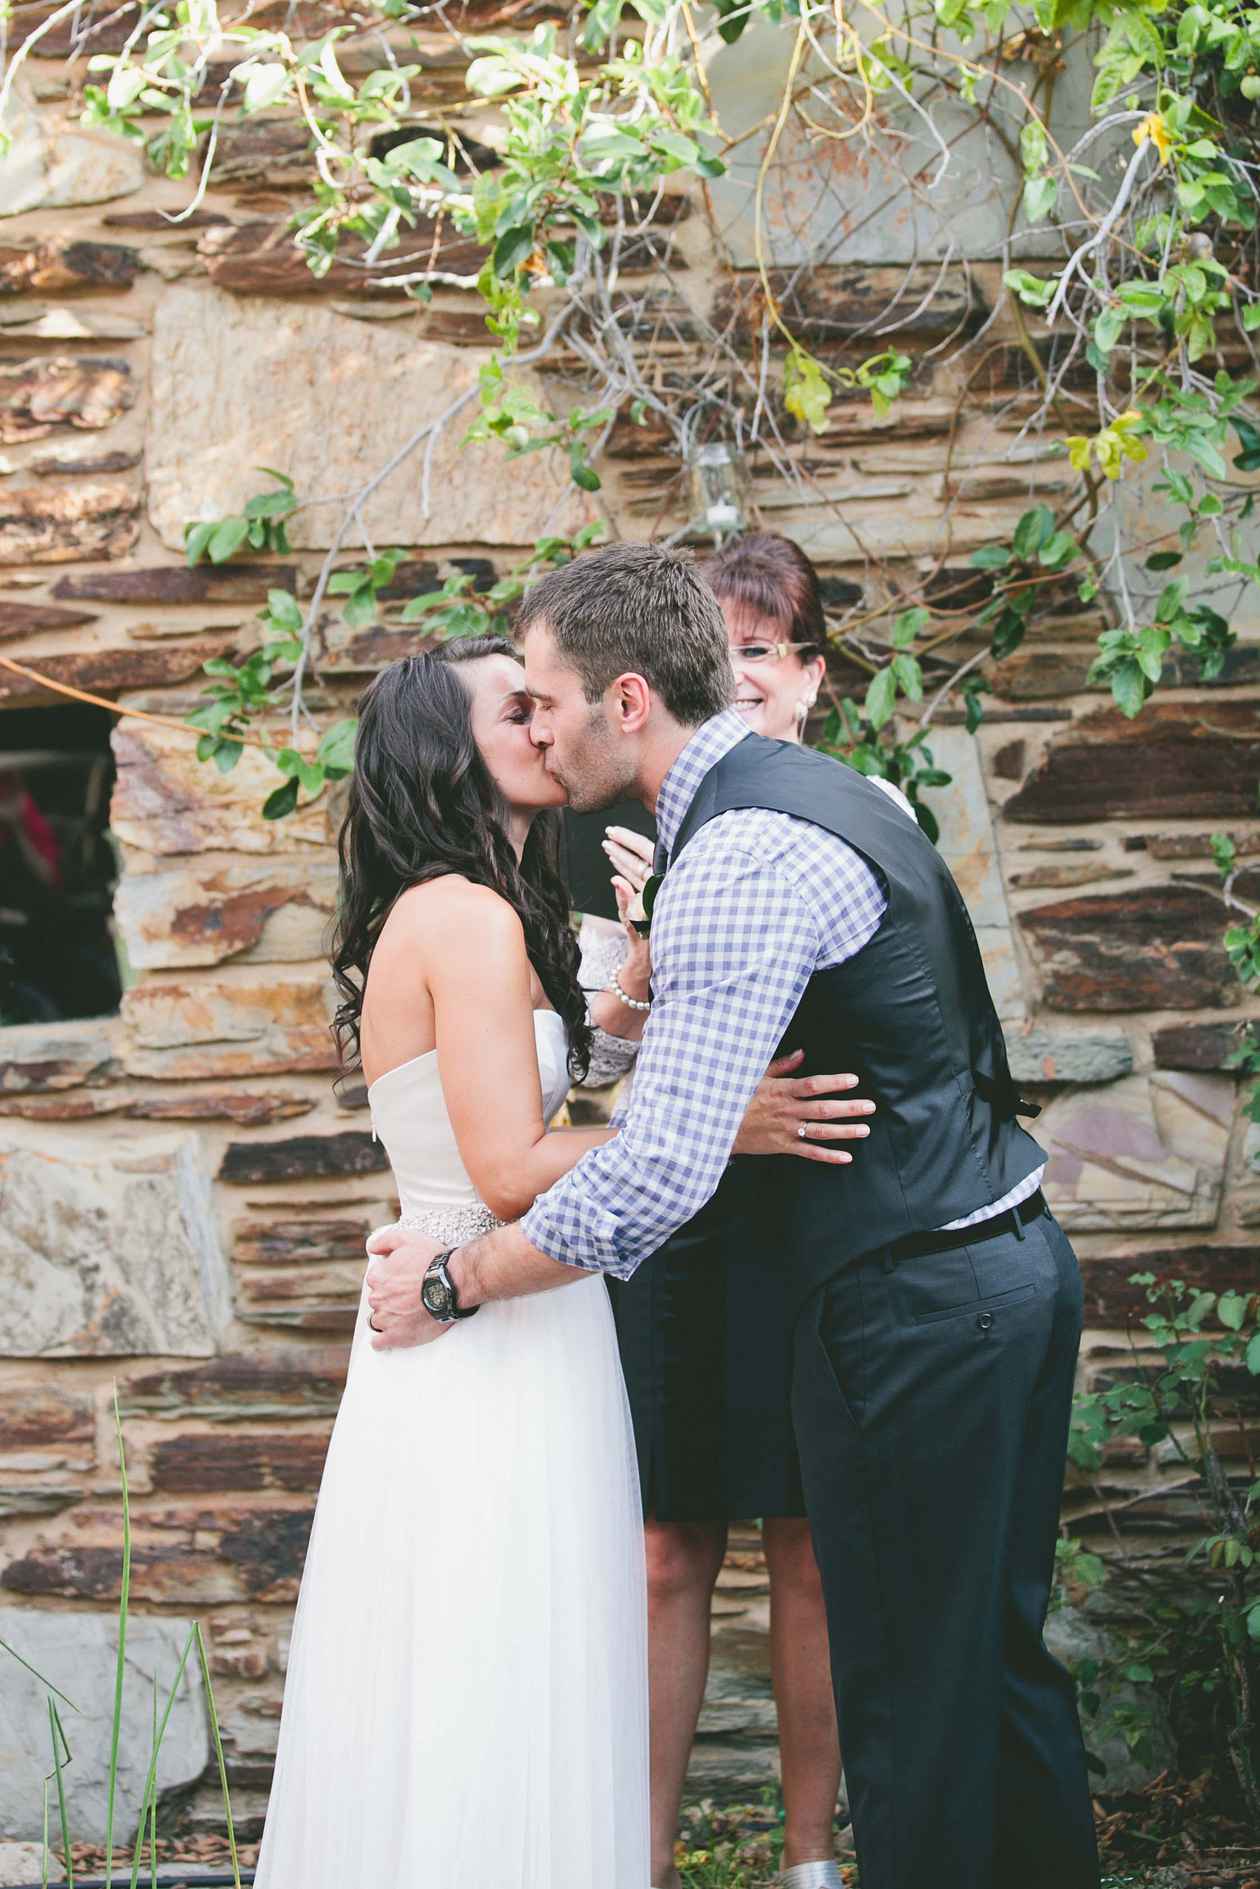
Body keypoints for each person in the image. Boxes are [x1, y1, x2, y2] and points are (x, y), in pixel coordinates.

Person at [367, 548, 1101, 1889]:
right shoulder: (806, 799)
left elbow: (658, 1176)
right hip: (995, 1265)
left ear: (626, 699)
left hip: (917, 1306)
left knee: (913, 1714)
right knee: (989, 1676)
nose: (534, 723)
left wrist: (459, 1278)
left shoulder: (737, 857)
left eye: (545, 697)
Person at [251, 636, 875, 1889]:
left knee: (508, 1652)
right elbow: (505, 1162)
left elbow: (551, 1068)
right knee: (490, 1656)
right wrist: (712, 1119)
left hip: (521, 1322)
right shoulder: (464, 916)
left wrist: (639, 986)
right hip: (484, 1337)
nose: (548, 723)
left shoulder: (492, 907)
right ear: (448, 749)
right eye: (516, 709)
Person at [602, 533, 870, 1889]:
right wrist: (643, 933)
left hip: (819, 1216)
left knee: (812, 1553)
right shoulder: (647, 824)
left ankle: (810, 1858)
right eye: (719, 650)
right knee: (663, 1549)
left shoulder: (854, 814)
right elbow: (601, 1054)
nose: (741, 674)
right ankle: (639, 1857)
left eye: (761, 648)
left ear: (810, 676)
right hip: (684, 1226)